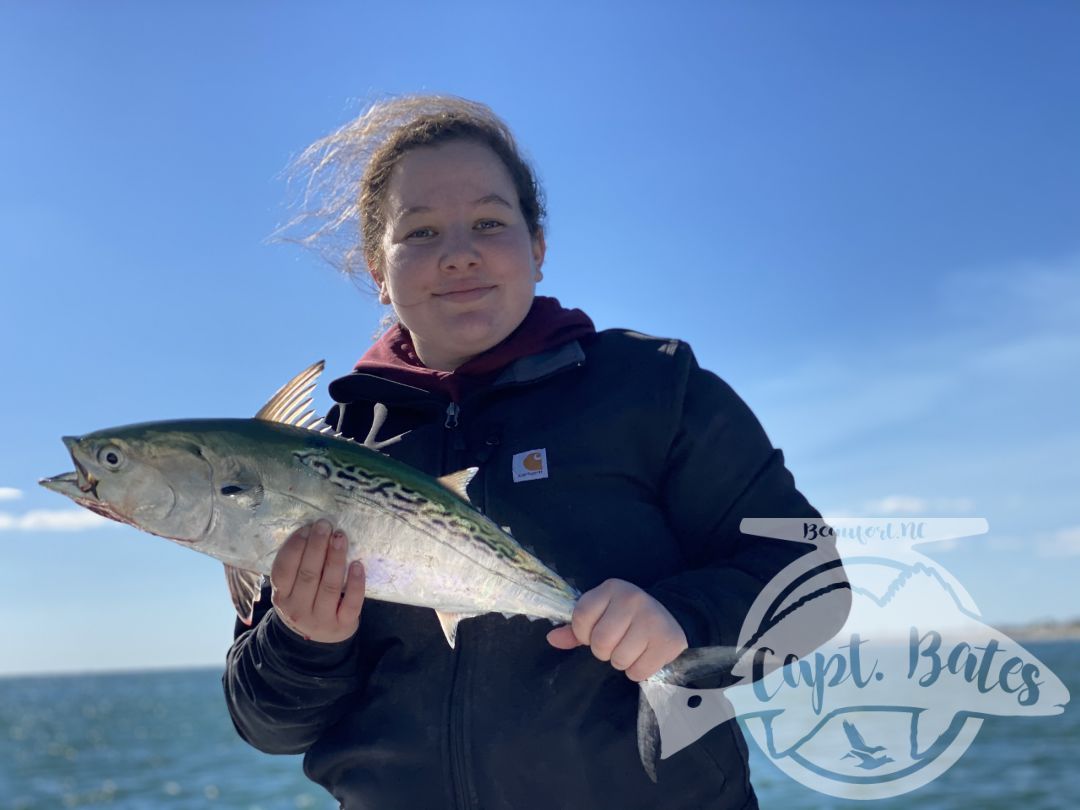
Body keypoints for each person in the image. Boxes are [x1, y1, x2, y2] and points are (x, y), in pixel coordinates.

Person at [223, 95, 847, 809]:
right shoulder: (319, 458)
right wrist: (304, 640)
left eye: (489, 222)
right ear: (377, 270)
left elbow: (810, 580)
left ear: (538, 248)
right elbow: (266, 723)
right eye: (419, 232)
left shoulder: (653, 387)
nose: (458, 253)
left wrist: (686, 620)